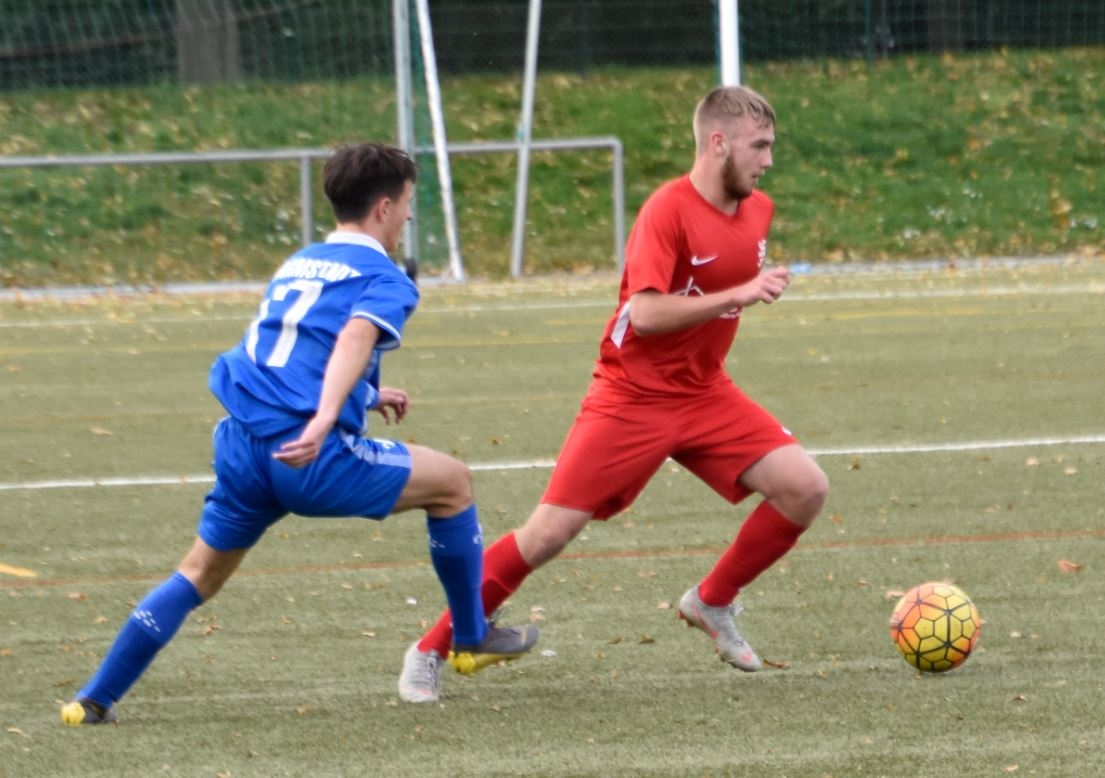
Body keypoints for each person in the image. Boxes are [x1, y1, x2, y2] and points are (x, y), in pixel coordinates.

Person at [61, 142, 538, 725]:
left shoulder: (300, 262)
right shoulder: (385, 278)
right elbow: (355, 337)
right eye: (408, 204)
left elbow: (290, 352)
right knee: (454, 484)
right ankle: (469, 634)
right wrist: (322, 419)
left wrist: (366, 394)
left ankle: (94, 700)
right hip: (308, 455)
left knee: (196, 575)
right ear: (384, 207)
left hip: (242, 446)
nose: (409, 217)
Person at [398, 86, 829, 703]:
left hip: (706, 395)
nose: (767, 161)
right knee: (545, 536)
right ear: (717, 143)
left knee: (805, 488)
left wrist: (737, 296)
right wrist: (739, 294)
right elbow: (646, 314)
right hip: (631, 397)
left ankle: (711, 602)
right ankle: (431, 648)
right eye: (759, 147)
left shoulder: (758, 211)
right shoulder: (667, 212)